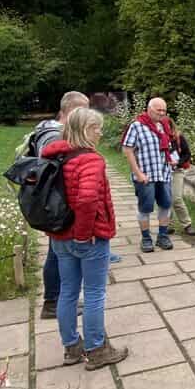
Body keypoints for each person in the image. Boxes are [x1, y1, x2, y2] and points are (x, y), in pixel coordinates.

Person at [41, 107, 128, 369]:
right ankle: (96, 349)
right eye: (96, 127)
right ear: (83, 129)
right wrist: (83, 236)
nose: (100, 132)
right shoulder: (90, 160)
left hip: (60, 237)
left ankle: (72, 347)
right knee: (93, 293)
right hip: (87, 237)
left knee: (67, 291)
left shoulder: (57, 156)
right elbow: (88, 200)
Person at [28, 90, 89, 320]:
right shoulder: (54, 136)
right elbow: (58, 171)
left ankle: (56, 299)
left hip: (56, 203)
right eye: (83, 110)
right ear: (70, 111)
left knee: (56, 252)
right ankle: (53, 302)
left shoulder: (51, 131)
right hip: (58, 204)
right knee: (56, 253)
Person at [121, 96, 174, 253]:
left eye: (164, 110)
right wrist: (138, 173)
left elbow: (167, 148)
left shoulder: (163, 125)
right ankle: (146, 239)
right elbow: (127, 149)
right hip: (146, 176)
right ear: (149, 109)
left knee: (165, 205)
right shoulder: (137, 126)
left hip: (163, 174)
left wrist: (172, 160)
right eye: (159, 110)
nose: (162, 113)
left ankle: (162, 236)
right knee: (145, 208)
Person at [167, 120, 195, 237]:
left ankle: (187, 225)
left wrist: (177, 162)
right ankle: (167, 225)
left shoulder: (178, 137)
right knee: (165, 199)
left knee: (176, 198)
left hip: (176, 171)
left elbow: (187, 154)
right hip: (161, 172)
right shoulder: (156, 137)